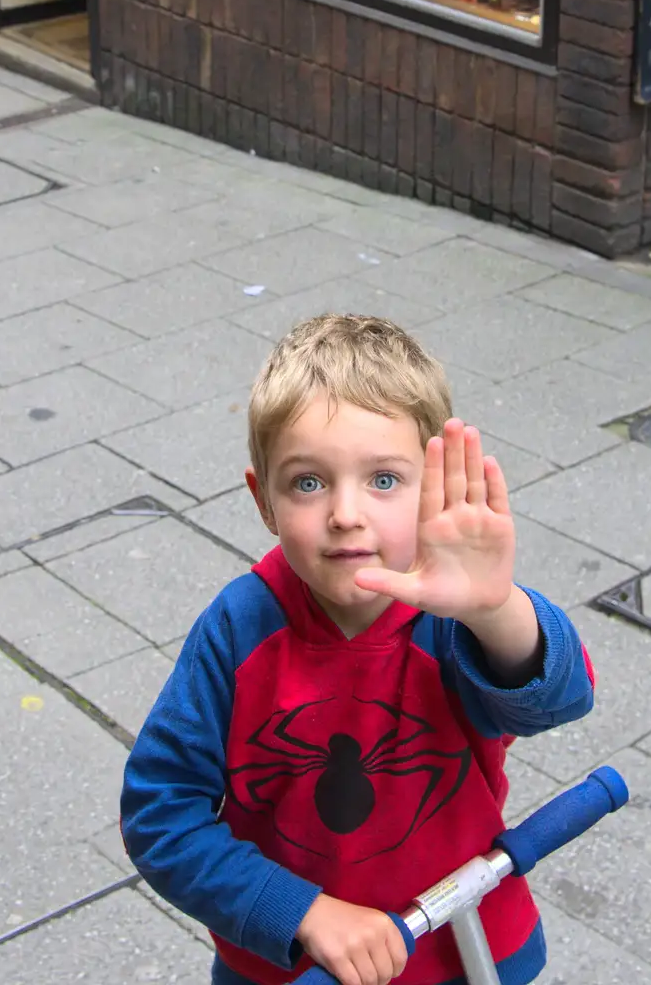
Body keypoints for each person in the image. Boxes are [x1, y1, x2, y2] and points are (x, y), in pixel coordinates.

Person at [121, 314, 594, 985]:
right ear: (264, 502)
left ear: (434, 487)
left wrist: (496, 609)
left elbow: (559, 700)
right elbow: (160, 815)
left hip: (463, 951)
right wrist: (303, 912)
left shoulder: (453, 616)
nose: (346, 513)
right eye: (308, 483)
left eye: (384, 480)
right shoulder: (238, 630)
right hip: (292, 965)